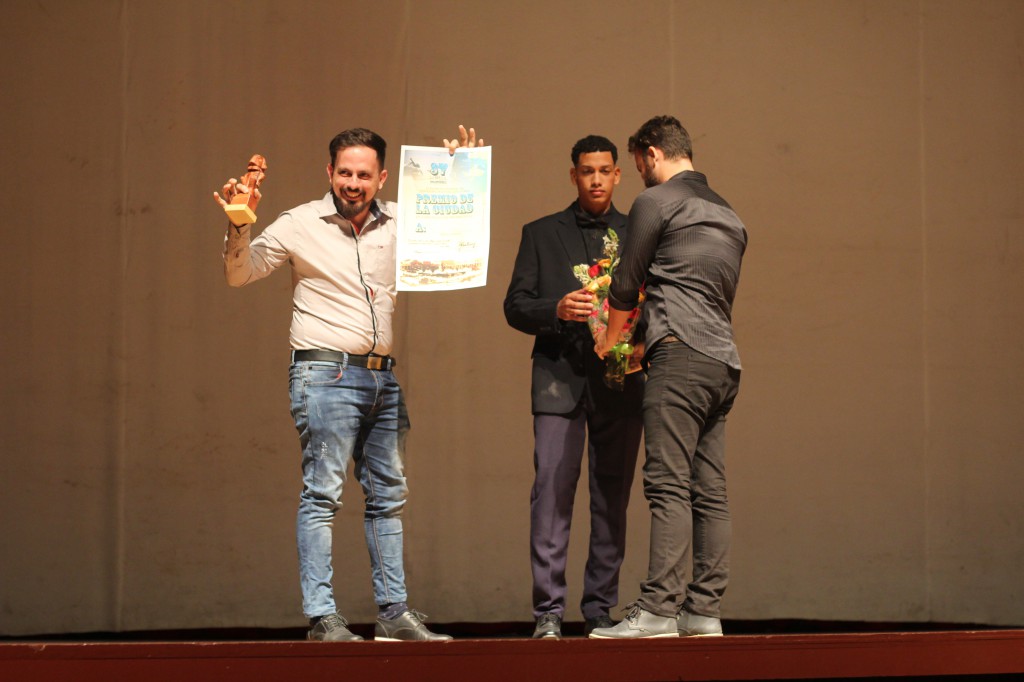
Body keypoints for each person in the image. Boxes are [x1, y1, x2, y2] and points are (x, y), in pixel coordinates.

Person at [214, 125, 483, 642]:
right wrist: (238, 223)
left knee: (389, 496)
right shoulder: (299, 222)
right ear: (329, 172)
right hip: (324, 374)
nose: (353, 183)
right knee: (323, 495)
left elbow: (458, 235)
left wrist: (460, 174)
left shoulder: (402, 221)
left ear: (382, 177)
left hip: (382, 377)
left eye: (363, 174)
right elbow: (239, 274)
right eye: (344, 173)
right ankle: (322, 617)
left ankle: (393, 613)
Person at [589, 116, 747, 639]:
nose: (641, 174)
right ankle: (703, 611)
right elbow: (697, 288)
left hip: (680, 359)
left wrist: (612, 341)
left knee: (667, 484)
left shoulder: (656, 201)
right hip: (722, 363)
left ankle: (658, 608)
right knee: (710, 491)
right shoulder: (730, 215)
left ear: (652, 154)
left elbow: (626, 284)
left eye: (639, 165)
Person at [504, 135, 644, 639]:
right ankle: (548, 611)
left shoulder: (638, 232)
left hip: (621, 382)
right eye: (587, 171)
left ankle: (600, 609)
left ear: (618, 175)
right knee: (550, 496)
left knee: (612, 500)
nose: (596, 179)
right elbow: (515, 305)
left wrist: (636, 339)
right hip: (558, 382)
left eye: (605, 170)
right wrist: (557, 309)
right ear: (574, 175)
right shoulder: (541, 233)